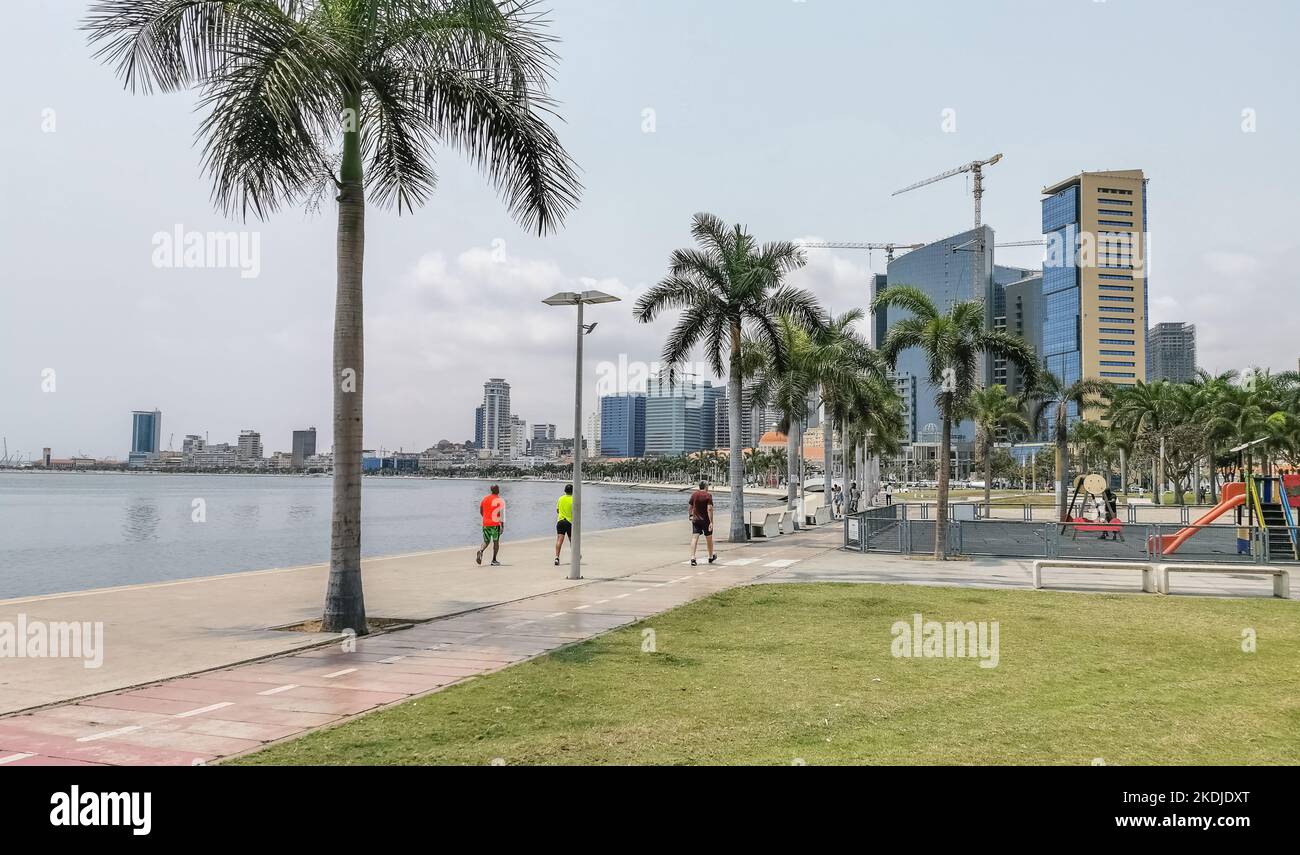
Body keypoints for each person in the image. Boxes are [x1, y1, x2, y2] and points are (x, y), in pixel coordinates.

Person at [688, 480, 717, 567]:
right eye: (708, 485)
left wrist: (690, 515)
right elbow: (710, 509)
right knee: (709, 538)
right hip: (705, 521)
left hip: (696, 520)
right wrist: (711, 522)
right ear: (705, 486)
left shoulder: (694, 495)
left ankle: (693, 558)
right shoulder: (708, 495)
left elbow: (690, 506)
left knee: (694, 538)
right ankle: (710, 556)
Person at [476, 484, 504, 566]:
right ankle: (494, 560)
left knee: (486, 541)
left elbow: (481, 510)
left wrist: (485, 518)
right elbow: (501, 515)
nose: (499, 489)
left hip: (486, 524)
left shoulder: (485, 499)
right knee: (496, 541)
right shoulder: (499, 500)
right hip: (495, 524)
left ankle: (481, 551)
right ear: (496, 490)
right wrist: (502, 526)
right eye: (498, 488)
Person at [554, 483, 574, 566]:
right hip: (569, 522)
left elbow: (557, 510)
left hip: (561, 521)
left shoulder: (560, 498)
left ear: (565, 491)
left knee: (559, 540)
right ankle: (575, 556)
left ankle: (557, 557)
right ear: (573, 491)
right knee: (572, 540)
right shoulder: (574, 499)